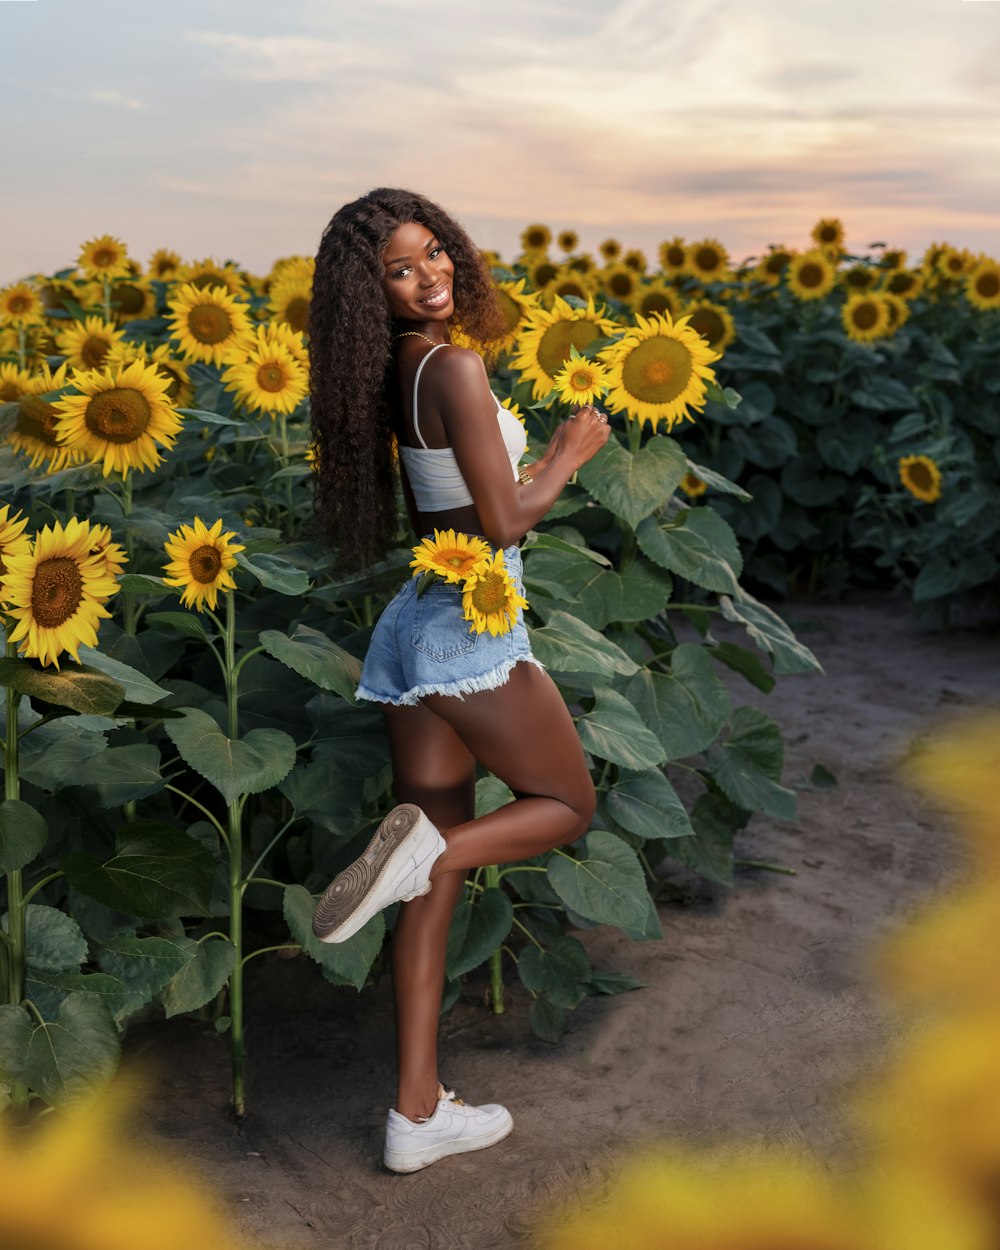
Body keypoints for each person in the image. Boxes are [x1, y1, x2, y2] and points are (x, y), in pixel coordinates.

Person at [306, 188, 611, 1173]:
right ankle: (423, 850)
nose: (430, 272)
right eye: (401, 267)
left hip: (417, 627)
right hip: (473, 622)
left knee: (430, 883)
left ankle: (415, 1111)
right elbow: (502, 519)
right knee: (564, 801)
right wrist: (564, 453)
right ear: (373, 291)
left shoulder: (393, 369)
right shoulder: (454, 366)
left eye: (432, 250)